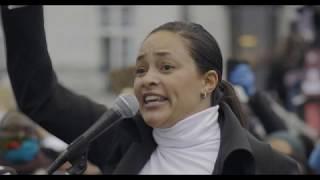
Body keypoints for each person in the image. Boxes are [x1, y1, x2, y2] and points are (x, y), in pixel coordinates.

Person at [1, 5, 301, 174]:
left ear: (207, 81)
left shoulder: (270, 167)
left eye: (166, 67)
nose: (147, 79)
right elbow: (40, 97)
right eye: (141, 69)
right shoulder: (121, 137)